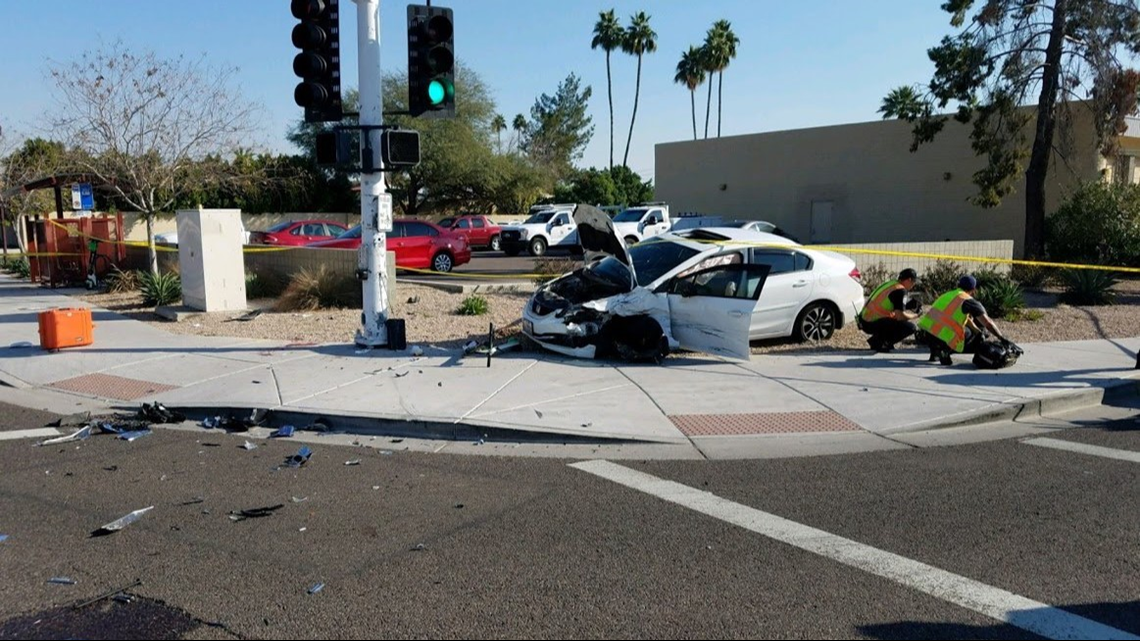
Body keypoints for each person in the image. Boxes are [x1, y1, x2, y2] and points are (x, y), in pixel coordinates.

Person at [918, 275, 1011, 365]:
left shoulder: (948, 294)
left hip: (928, 333)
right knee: (968, 334)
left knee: (966, 330)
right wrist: (1001, 338)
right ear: (974, 290)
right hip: (944, 336)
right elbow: (987, 322)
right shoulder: (968, 300)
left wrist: (978, 332)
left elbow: (958, 318)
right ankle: (946, 351)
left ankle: (935, 352)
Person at [859, 268, 919, 353]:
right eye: (913, 282)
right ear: (909, 280)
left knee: (892, 321)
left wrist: (909, 305)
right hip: (872, 322)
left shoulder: (892, 284)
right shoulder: (901, 291)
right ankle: (882, 343)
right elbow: (900, 316)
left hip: (865, 318)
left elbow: (891, 303)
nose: (914, 285)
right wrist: (916, 316)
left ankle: (878, 340)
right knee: (910, 327)